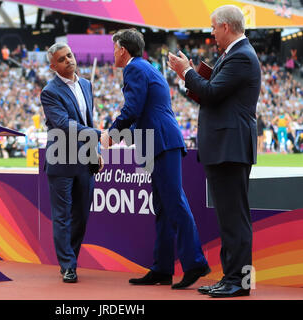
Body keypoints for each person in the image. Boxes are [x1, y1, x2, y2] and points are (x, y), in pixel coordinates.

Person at [101, 29, 210, 289]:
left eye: (114, 47)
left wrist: (112, 134)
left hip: (161, 142)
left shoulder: (134, 69)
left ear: (123, 50)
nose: (113, 52)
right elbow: (141, 111)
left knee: (174, 203)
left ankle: (195, 263)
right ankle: (162, 268)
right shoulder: (144, 68)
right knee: (163, 208)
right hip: (157, 142)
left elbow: (133, 108)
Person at [168, 5, 261, 297]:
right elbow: (212, 94)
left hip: (230, 147)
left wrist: (186, 73)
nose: (210, 33)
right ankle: (231, 278)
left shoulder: (242, 57)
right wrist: (194, 78)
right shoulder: (233, 55)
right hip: (225, 146)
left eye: (212, 27)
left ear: (225, 26)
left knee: (235, 219)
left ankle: (240, 282)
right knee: (229, 218)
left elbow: (211, 93)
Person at [40, 43, 103, 283]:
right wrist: (98, 134)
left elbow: (87, 118)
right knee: (62, 216)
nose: (68, 60)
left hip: (85, 160)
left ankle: (71, 259)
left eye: (69, 55)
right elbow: (65, 124)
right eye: (62, 59)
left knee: (81, 216)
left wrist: (95, 151)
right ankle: (67, 265)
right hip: (61, 160)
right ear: (53, 66)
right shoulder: (49, 91)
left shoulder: (86, 84)